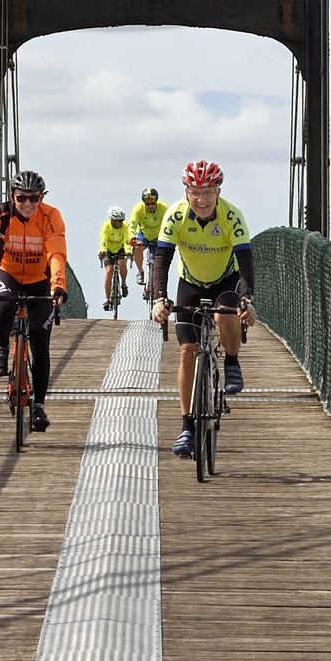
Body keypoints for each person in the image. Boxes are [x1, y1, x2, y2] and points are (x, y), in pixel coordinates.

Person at [150, 159, 254, 460]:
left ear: (218, 191)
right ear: (186, 190)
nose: (201, 199)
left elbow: (246, 261)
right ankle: (186, 427)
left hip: (226, 279)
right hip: (191, 282)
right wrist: (160, 298)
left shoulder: (232, 216)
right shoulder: (175, 215)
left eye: (207, 192)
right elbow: (162, 261)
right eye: (194, 192)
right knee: (187, 351)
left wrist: (247, 298)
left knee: (225, 312)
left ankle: (232, 361)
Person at [0, 168, 68, 432]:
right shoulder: (1, 213)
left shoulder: (51, 216)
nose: (28, 204)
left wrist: (58, 285)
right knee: (5, 304)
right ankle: (2, 349)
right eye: (22, 198)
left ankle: (39, 406)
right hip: (8, 273)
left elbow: (56, 252)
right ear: (12, 196)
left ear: (42, 197)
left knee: (40, 342)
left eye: (34, 198)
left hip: (39, 278)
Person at [129, 188, 164, 294]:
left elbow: (170, 223)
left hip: (158, 236)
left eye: (153, 203)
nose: (150, 206)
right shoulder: (138, 209)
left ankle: (152, 283)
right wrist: (131, 237)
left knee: (158, 261)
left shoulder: (164, 208)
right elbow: (132, 224)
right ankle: (140, 271)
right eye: (147, 204)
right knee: (138, 247)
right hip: (143, 234)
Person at [98, 208, 133, 309]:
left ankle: (123, 283)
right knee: (109, 271)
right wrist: (102, 251)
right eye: (119, 221)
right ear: (112, 220)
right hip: (108, 250)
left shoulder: (125, 226)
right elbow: (103, 241)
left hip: (121, 249)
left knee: (122, 263)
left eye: (122, 220)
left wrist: (128, 252)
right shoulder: (106, 226)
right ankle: (106, 299)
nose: (121, 223)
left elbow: (127, 240)